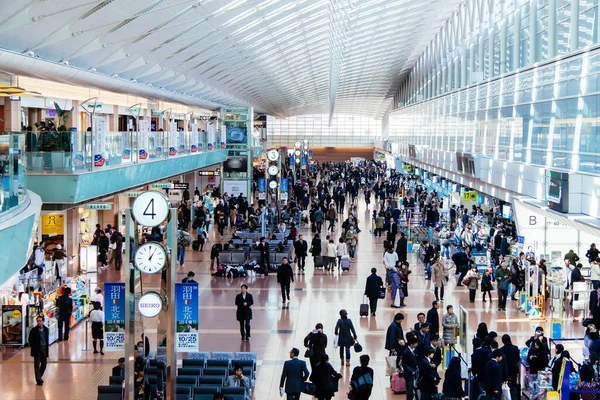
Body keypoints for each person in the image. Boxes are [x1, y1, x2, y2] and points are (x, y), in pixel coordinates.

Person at [29, 315, 49, 386]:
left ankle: (39, 376)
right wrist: (34, 346)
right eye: (38, 321)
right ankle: (38, 380)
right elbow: (30, 340)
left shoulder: (46, 329)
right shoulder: (33, 330)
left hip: (44, 348)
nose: (39, 322)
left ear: (43, 321)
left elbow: (46, 340)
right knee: (37, 364)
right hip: (36, 349)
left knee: (44, 364)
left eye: (40, 321)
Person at [500, 334, 520, 400]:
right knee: (514, 385)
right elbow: (518, 359)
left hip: (506, 370)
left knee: (506, 386)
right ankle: (514, 398)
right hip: (514, 369)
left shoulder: (501, 350)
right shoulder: (515, 348)